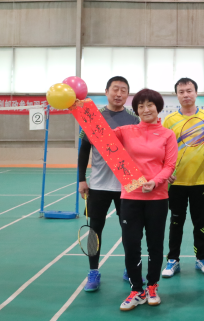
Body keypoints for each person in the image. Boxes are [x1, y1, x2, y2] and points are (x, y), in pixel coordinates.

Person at [114, 89, 178, 311]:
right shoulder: (125, 131)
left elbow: (170, 165)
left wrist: (155, 182)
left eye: (150, 105)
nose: (146, 109)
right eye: (140, 106)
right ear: (136, 110)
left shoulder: (168, 135)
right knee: (131, 244)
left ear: (158, 107)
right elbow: (99, 136)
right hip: (130, 196)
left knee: (155, 245)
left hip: (157, 198)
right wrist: (82, 110)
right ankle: (136, 289)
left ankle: (152, 286)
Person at [77, 76, 139, 292]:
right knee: (94, 231)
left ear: (128, 95)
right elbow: (84, 150)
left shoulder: (134, 119)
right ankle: (93, 271)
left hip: (127, 186)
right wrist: (81, 179)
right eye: (115, 89)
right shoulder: (93, 118)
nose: (119, 94)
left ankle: (130, 269)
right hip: (98, 186)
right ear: (106, 92)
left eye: (123, 90)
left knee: (130, 231)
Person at [162, 78, 204, 277]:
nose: (186, 95)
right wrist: (165, 172)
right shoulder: (169, 120)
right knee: (176, 222)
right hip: (176, 181)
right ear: (177, 95)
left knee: (200, 223)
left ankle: (202, 258)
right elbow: (163, 149)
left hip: (200, 180)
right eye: (181, 91)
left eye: (189, 90)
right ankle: (173, 260)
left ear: (196, 93)